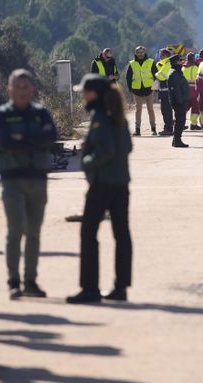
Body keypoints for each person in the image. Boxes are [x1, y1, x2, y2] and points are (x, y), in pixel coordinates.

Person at [0, 70, 58, 300]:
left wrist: (21, 140)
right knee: (15, 229)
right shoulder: (1, 115)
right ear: (8, 90)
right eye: (17, 86)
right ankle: (13, 280)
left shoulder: (40, 113)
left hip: (37, 178)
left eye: (25, 86)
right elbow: (4, 141)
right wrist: (34, 140)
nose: (21, 90)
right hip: (12, 179)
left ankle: (30, 280)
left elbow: (51, 136)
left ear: (33, 89)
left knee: (34, 231)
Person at [67, 75, 133, 304]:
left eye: (84, 91)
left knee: (88, 233)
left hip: (102, 184)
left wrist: (86, 162)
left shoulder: (100, 118)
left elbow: (106, 151)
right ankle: (121, 287)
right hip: (121, 183)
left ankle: (90, 289)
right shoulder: (117, 116)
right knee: (121, 234)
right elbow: (128, 146)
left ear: (94, 93)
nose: (82, 96)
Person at [125, 46, 158, 137]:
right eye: (138, 52)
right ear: (135, 53)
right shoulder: (132, 64)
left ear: (144, 52)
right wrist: (130, 89)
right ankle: (137, 130)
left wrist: (156, 87)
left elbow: (156, 75)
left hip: (149, 89)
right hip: (137, 90)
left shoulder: (151, 62)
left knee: (150, 109)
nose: (140, 54)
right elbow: (128, 77)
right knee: (138, 110)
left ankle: (153, 129)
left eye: (142, 52)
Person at [167, 55, 190, 148]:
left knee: (180, 120)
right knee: (180, 121)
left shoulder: (178, 72)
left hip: (181, 101)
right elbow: (175, 89)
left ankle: (176, 140)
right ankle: (177, 140)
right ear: (175, 62)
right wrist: (180, 101)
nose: (181, 62)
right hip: (178, 102)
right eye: (179, 61)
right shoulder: (174, 73)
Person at [154, 48, 174, 136]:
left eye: (161, 55)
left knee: (167, 110)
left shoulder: (168, 63)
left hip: (167, 91)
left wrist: (155, 74)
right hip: (162, 91)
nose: (160, 56)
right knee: (164, 110)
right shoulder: (161, 64)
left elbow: (162, 76)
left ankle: (169, 129)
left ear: (166, 56)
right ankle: (167, 128)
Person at [182, 53, 202, 131]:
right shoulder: (196, 68)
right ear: (193, 59)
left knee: (184, 108)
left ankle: (181, 123)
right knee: (195, 108)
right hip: (194, 91)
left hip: (185, 92)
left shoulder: (183, 68)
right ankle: (193, 124)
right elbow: (199, 80)